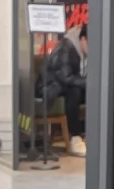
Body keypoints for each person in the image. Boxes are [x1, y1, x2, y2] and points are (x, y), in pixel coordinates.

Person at [43, 24, 88, 157]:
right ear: (83, 39)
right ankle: (75, 137)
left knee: (92, 91)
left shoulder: (82, 50)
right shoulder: (65, 48)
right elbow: (65, 77)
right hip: (51, 88)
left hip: (63, 86)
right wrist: (90, 82)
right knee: (75, 91)